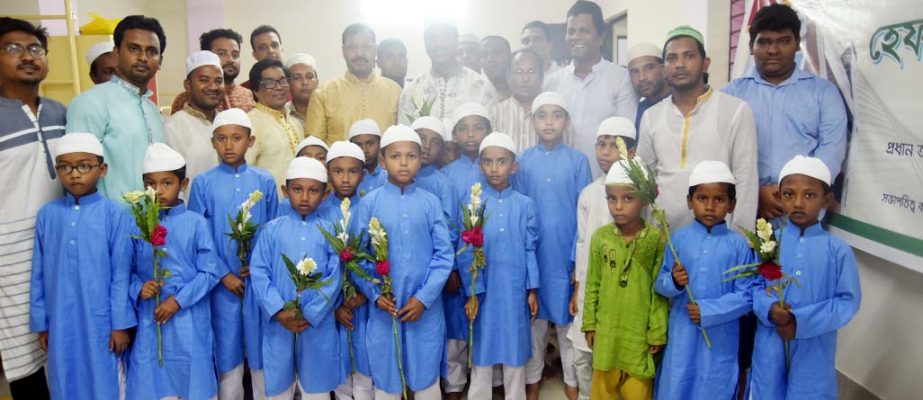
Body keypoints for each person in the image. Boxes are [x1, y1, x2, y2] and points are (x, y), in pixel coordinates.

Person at [351, 125, 454, 400]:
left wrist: (424, 298)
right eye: (396, 156)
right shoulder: (369, 203)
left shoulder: (430, 202)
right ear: (383, 161)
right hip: (386, 307)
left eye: (411, 156)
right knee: (387, 379)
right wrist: (374, 295)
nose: (404, 162)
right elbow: (357, 258)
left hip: (425, 308)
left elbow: (444, 255)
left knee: (426, 379)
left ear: (420, 160)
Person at [30, 133, 134, 400]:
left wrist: (120, 324)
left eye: (84, 165)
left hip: (102, 322)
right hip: (61, 320)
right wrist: (42, 323)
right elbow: (38, 275)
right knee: (64, 378)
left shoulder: (115, 214)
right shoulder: (48, 215)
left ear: (102, 169)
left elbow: (121, 274)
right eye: (65, 167)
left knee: (104, 378)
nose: (74, 174)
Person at [749, 155, 861, 400]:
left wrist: (799, 322)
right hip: (770, 344)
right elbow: (755, 286)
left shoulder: (838, 251)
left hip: (815, 350)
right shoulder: (769, 242)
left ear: (826, 200)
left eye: (809, 195)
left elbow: (847, 302)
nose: (798, 203)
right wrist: (769, 309)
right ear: (778, 197)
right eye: (789, 194)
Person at [723, 4, 848, 222]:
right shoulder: (730, 95)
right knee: (746, 258)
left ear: (797, 45)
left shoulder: (823, 93)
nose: (773, 50)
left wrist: (793, 194)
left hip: (803, 215)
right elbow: (720, 151)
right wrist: (753, 194)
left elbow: (832, 149)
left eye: (783, 41)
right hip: (744, 211)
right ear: (751, 46)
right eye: (764, 42)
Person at [187, 108, 279, 400]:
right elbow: (198, 238)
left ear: (250, 141)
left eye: (236, 138)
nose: (229, 145)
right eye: (222, 139)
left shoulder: (264, 181)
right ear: (213, 142)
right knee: (228, 358)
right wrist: (223, 275)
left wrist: (261, 266)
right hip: (221, 286)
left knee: (263, 350)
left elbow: (274, 230)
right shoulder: (202, 183)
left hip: (259, 283)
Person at [637, 25, 758, 230]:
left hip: (719, 238)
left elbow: (746, 181)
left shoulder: (735, 110)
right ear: (664, 68)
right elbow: (643, 180)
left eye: (689, 56)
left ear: (705, 63)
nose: (680, 64)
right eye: (672, 58)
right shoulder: (651, 116)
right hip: (663, 237)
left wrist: (741, 240)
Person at [653, 160, 756, 400]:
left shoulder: (740, 245)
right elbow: (660, 283)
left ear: (732, 205)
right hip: (683, 334)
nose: (710, 206)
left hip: (721, 339)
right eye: (702, 198)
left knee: (713, 385)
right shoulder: (678, 239)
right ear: (690, 201)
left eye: (719, 199)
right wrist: (675, 283)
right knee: (677, 381)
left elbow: (747, 296)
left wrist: (708, 310)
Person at [127, 143, 220, 400]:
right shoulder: (137, 222)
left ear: (183, 183)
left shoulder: (196, 224)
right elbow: (127, 270)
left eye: (166, 183)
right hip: (150, 319)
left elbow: (210, 273)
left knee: (194, 383)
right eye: (151, 184)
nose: (158, 191)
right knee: (153, 383)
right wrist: (138, 288)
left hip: (188, 318)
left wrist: (178, 301)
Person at [514, 91, 591, 400]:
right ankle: (532, 380)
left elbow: (583, 211)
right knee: (534, 323)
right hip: (535, 255)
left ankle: (572, 381)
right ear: (532, 121)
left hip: (565, 255)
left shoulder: (578, 161)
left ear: (567, 121)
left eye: (556, 115)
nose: (549, 122)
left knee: (568, 324)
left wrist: (577, 258)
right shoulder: (522, 162)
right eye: (542, 115)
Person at [0, 18, 62, 398]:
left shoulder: (62, 113)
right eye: (12, 49)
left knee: (64, 346)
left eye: (35, 49)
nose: (26, 56)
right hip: (11, 255)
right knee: (24, 355)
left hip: (60, 245)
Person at [250, 156, 343, 399]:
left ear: (324, 194)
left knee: (317, 391)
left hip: (317, 325)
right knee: (279, 389)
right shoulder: (271, 230)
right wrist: (279, 311)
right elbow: (259, 273)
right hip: (279, 324)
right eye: (297, 189)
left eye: (313, 191)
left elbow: (334, 278)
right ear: (285, 190)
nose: (304, 197)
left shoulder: (330, 231)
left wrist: (311, 313)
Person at [459, 132, 540, 400]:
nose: (495, 168)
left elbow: (530, 248)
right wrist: (473, 293)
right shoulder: (473, 205)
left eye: (502, 161)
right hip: (484, 293)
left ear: (513, 166)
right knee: (482, 353)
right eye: (488, 162)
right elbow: (466, 253)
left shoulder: (525, 205)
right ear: (480, 165)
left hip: (514, 291)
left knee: (515, 353)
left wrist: (532, 290)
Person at [582, 158, 668, 400]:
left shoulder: (655, 239)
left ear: (643, 200)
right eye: (612, 198)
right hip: (607, 331)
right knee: (602, 390)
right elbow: (593, 283)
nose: (618, 206)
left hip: (637, 334)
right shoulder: (601, 238)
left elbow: (658, 291)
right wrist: (589, 323)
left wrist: (657, 332)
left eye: (627, 198)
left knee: (638, 391)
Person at [568, 116, 636, 400]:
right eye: (601, 144)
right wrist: (577, 288)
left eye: (614, 145)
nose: (605, 152)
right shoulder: (589, 194)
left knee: (621, 357)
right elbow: (582, 245)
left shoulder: (642, 192)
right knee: (584, 354)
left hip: (626, 291)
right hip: (591, 289)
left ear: (631, 152)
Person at [66, 15, 167, 202]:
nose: (143, 57)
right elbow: (75, 175)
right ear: (117, 53)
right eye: (134, 49)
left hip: (154, 223)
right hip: (109, 224)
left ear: (160, 61)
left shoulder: (152, 109)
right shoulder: (91, 102)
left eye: (152, 51)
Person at [544, 1, 637, 177]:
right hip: (560, 179)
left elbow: (624, 136)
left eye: (584, 31)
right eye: (571, 31)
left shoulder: (620, 78)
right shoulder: (552, 82)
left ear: (601, 38)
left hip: (606, 182)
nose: (576, 37)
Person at [439, 103, 492, 398]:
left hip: (490, 262)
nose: (471, 135)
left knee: (486, 324)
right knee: (456, 330)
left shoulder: (495, 165)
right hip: (458, 265)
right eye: (463, 128)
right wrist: (451, 268)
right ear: (454, 135)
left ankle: (486, 384)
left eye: (478, 127)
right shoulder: (447, 175)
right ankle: (455, 386)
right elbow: (445, 224)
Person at [323, 141, 373, 400]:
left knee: (365, 363)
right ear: (327, 172)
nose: (345, 178)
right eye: (338, 171)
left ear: (362, 175)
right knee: (339, 364)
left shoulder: (370, 207)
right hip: (330, 306)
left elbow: (379, 256)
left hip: (364, 303)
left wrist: (365, 294)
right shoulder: (320, 212)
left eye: (352, 171)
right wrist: (334, 306)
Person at [307, 23, 402, 144]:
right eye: (352, 47)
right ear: (343, 51)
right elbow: (314, 149)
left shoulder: (395, 91)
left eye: (366, 47)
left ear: (375, 49)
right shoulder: (323, 94)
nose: (359, 54)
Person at [399, 23, 497, 124]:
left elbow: (492, 135)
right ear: (425, 44)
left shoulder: (481, 87)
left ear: (456, 42)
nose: (438, 44)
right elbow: (404, 136)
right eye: (432, 38)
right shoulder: (413, 90)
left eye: (445, 38)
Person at [164, 51, 223, 185]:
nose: (213, 87)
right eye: (204, 80)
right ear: (188, 86)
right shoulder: (172, 127)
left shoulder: (226, 123)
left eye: (218, 81)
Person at [246, 59, 304, 193]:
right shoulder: (250, 123)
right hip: (268, 205)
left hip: (300, 203)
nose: (279, 87)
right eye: (269, 83)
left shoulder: (295, 122)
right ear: (256, 91)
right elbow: (246, 172)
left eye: (283, 81)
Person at [170, 29, 256, 114]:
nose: (231, 59)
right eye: (222, 53)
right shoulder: (185, 99)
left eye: (235, 55)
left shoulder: (247, 94)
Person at [493, 49, 544, 152]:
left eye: (531, 72)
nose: (525, 79)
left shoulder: (556, 114)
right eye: (519, 72)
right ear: (508, 77)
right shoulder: (495, 113)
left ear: (541, 76)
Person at [627, 43, 670, 130]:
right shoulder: (641, 108)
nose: (642, 77)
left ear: (663, 68)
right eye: (635, 72)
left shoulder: (679, 101)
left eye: (649, 68)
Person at [348, 119, 387, 197]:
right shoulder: (346, 177)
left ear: (380, 144)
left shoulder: (390, 175)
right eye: (358, 145)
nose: (364, 150)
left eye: (370, 144)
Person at [241, 25, 284, 89]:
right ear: (255, 55)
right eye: (262, 47)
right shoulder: (244, 91)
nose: (270, 51)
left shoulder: (295, 83)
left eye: (274, 45)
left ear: (281, 50)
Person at [285, 53, 319, 125]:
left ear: (317, 82)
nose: (305, 82)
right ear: (288, 83)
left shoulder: (329, 110)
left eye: (309, 77)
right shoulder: (282, 113)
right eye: (297, 78)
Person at [480, 36, 513, 100]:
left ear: (510, 56)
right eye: (484, 55)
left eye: (496, 53)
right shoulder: (476, 94)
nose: (489, 59)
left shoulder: (527, 89)